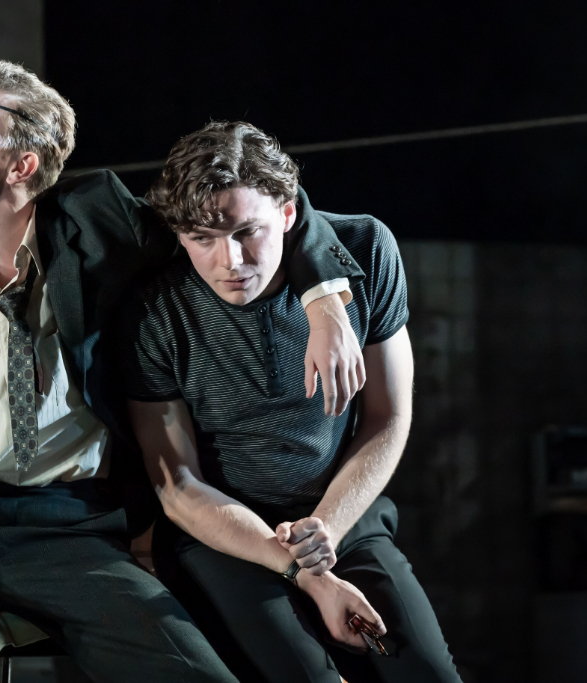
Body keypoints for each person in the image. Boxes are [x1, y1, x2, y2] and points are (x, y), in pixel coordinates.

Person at [0, 62, 365, 683]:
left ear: (22, 164)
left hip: (75, 532)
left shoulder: (100, 222)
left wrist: (326, 299)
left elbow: (261, 206)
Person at [124, 121, 463, 683]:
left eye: (247, 231)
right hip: (226, 531)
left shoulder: (364, 250)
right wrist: (305, 570)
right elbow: (178, 483)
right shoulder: (154, 306)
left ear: (287, 213)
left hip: (342, 510)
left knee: (425, 672)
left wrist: (324, 529)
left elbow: (387, 417)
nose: (230, 260)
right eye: (203, 238)